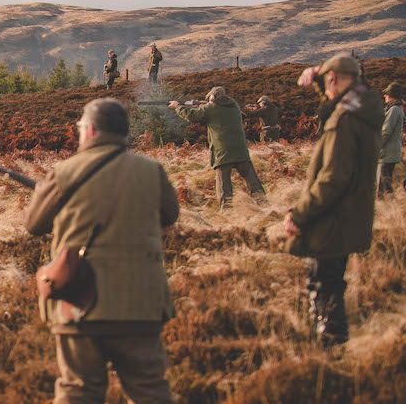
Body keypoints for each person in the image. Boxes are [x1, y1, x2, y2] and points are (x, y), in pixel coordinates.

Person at [23, 98, 187, 404]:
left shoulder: (65, 172)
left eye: (81, 128)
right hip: (142, 300)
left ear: (91, 130)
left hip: (81, 300)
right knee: (150, 386)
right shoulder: (151, 170)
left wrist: (43, 192)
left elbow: (34, 224)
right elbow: (170, 214)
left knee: (78, 386)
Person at [285, 55, 383, 347]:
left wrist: (299, 215)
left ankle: (331, 349)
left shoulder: (345, 122)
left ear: (335, 80)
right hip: (349, 214)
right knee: (331, 281)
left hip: (332, 218)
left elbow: (332, 179)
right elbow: (333, 101)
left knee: (323, 283)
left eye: (328, 81)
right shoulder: (363, 108)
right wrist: (319, 78)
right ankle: (332, 342)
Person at [171, 87, 266, 207]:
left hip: (223, 150)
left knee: (223, 183)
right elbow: (216, 117)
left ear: (213, 97)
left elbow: (192, 115)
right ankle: (262, 203)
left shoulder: (211, 107)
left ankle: (226, 208)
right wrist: (205, 105)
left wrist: (177, 106)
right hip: (240, 148)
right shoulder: (234, 106)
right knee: (251, 178)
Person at [379, 82, 403, 195]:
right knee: (385, 184)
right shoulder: (394, 109)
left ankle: (389, 208)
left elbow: (386, 132)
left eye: (386, 93)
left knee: (383, 186)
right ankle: (390, 207)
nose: (384, 95)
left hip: (387, 154)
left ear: (391, 95)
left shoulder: (394, 110)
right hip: (389, 153)